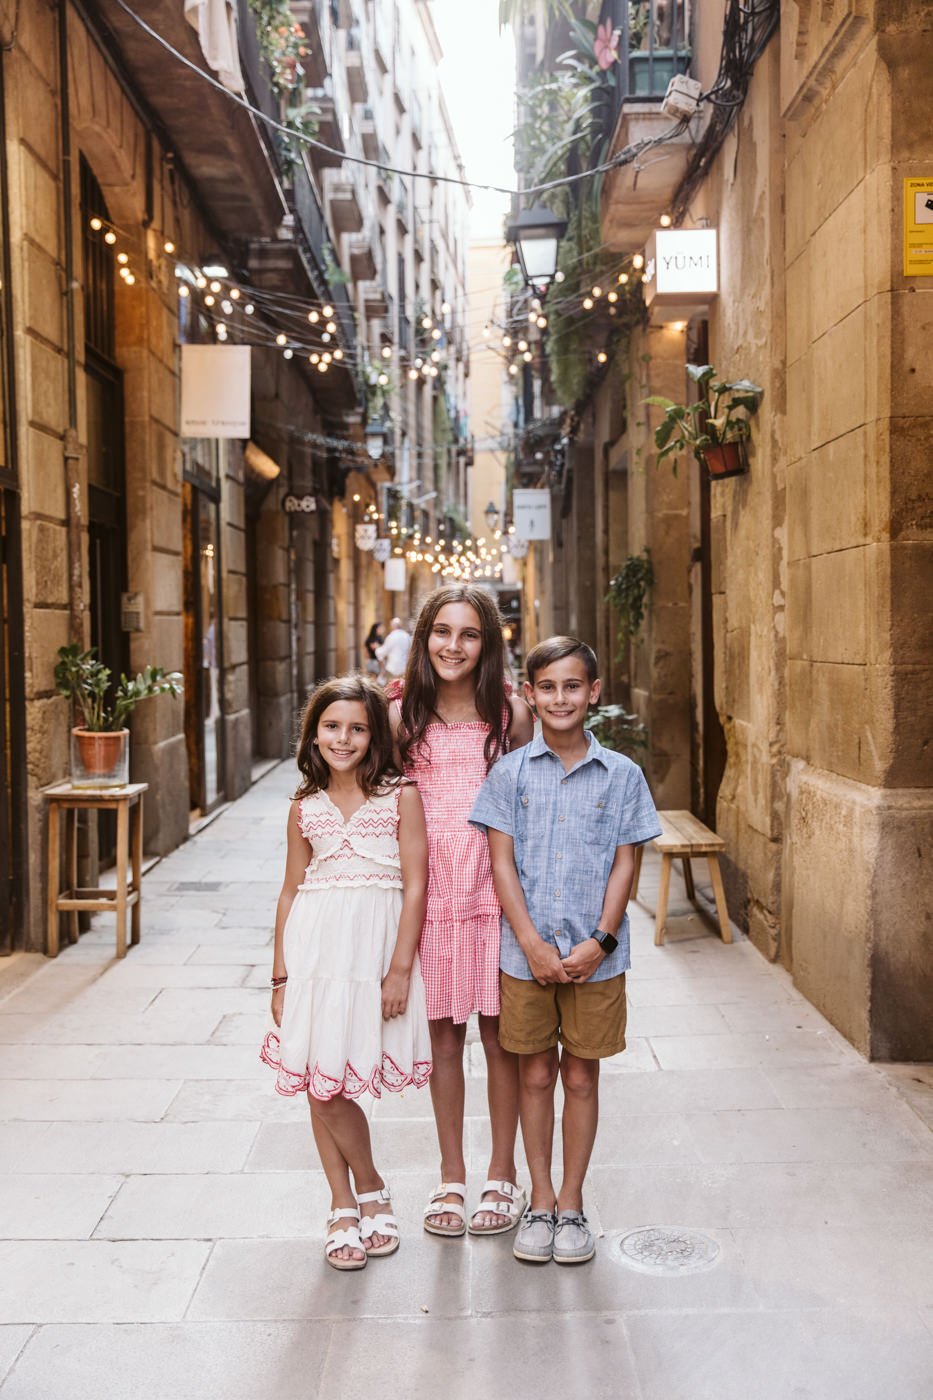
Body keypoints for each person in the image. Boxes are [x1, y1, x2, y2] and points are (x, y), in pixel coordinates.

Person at [468, 636, 661, 1265]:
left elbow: (626, 863)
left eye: (573, 686)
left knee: (581, 1073)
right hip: (525, 956)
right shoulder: (509, 773)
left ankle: (573, 1202)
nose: (560, 698)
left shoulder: (623, 775)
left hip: (596, 957)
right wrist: (528, 941)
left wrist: (600, 942)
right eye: (547, 687)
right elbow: (501, 863)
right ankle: (541, 1198)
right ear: (529, 694)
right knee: (533, 1071)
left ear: (594, 693)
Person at [261, 674, 431, 1271]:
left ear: (374, 736)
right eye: (331, 727)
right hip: (314, 955)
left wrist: (400, 970)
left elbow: (416, 888)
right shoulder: (304, 809)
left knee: (334, 1079)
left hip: (373, 956)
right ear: (312, 737)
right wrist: (280, 976)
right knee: (318, 1079)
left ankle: (366, 1192)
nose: (343, 737)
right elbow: (289, 893)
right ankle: (352, 1198)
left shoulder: (400, 796)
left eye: (357, 727)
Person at [388, 584, 534, 1239]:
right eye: (441, 632)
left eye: (468, 634)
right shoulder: (398, 716)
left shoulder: (509, 714)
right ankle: (450, 1174)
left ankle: (502, 1174)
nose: (453, 646)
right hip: (429, 893)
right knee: (443, 1037)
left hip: (494, 891)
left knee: (500, 1037)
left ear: (488, 644)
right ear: (423, 638)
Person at [375, 616, 412, 681]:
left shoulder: (391, 636)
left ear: (392, 627)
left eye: (390, 626)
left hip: (393, 669)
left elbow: (382, 652)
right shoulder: (407, 636)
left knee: (391, 689)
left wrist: (377, 649)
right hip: (404, 669)